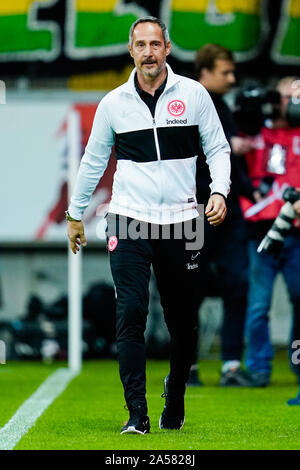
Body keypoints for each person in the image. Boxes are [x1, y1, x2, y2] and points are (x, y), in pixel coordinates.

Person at [66, 17, 231, 434]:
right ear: (131, 50)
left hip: (183, 221)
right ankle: (136, 413)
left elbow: (218, 148)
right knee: (132, 312)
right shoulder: (114, 104)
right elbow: (92, 161)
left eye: (155, 44)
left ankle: (174, 395)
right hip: (128, 219)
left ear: (168, 48)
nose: (148, 52)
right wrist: (74, 213)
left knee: (183, 321)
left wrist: (219, 191)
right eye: (140, 44)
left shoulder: (194, 95)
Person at [189, 44, 259, 387]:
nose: (232, 79)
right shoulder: (184, 104)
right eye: (225, 72)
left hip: (227, 212)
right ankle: (186, 367)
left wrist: (250, 191)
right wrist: (230, 142)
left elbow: (230, 163)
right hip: (192, 211)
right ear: (204, 72)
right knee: (189, 289)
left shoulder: (224, 108)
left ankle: (231, 366)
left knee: (239, 284)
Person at [240, 77, 300, 399]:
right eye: (288, 96)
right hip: (261, 232)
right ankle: (260, 369)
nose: (292, 102)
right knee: (259, 304)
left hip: (297, 233)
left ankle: (297, 364)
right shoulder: (254, 133)